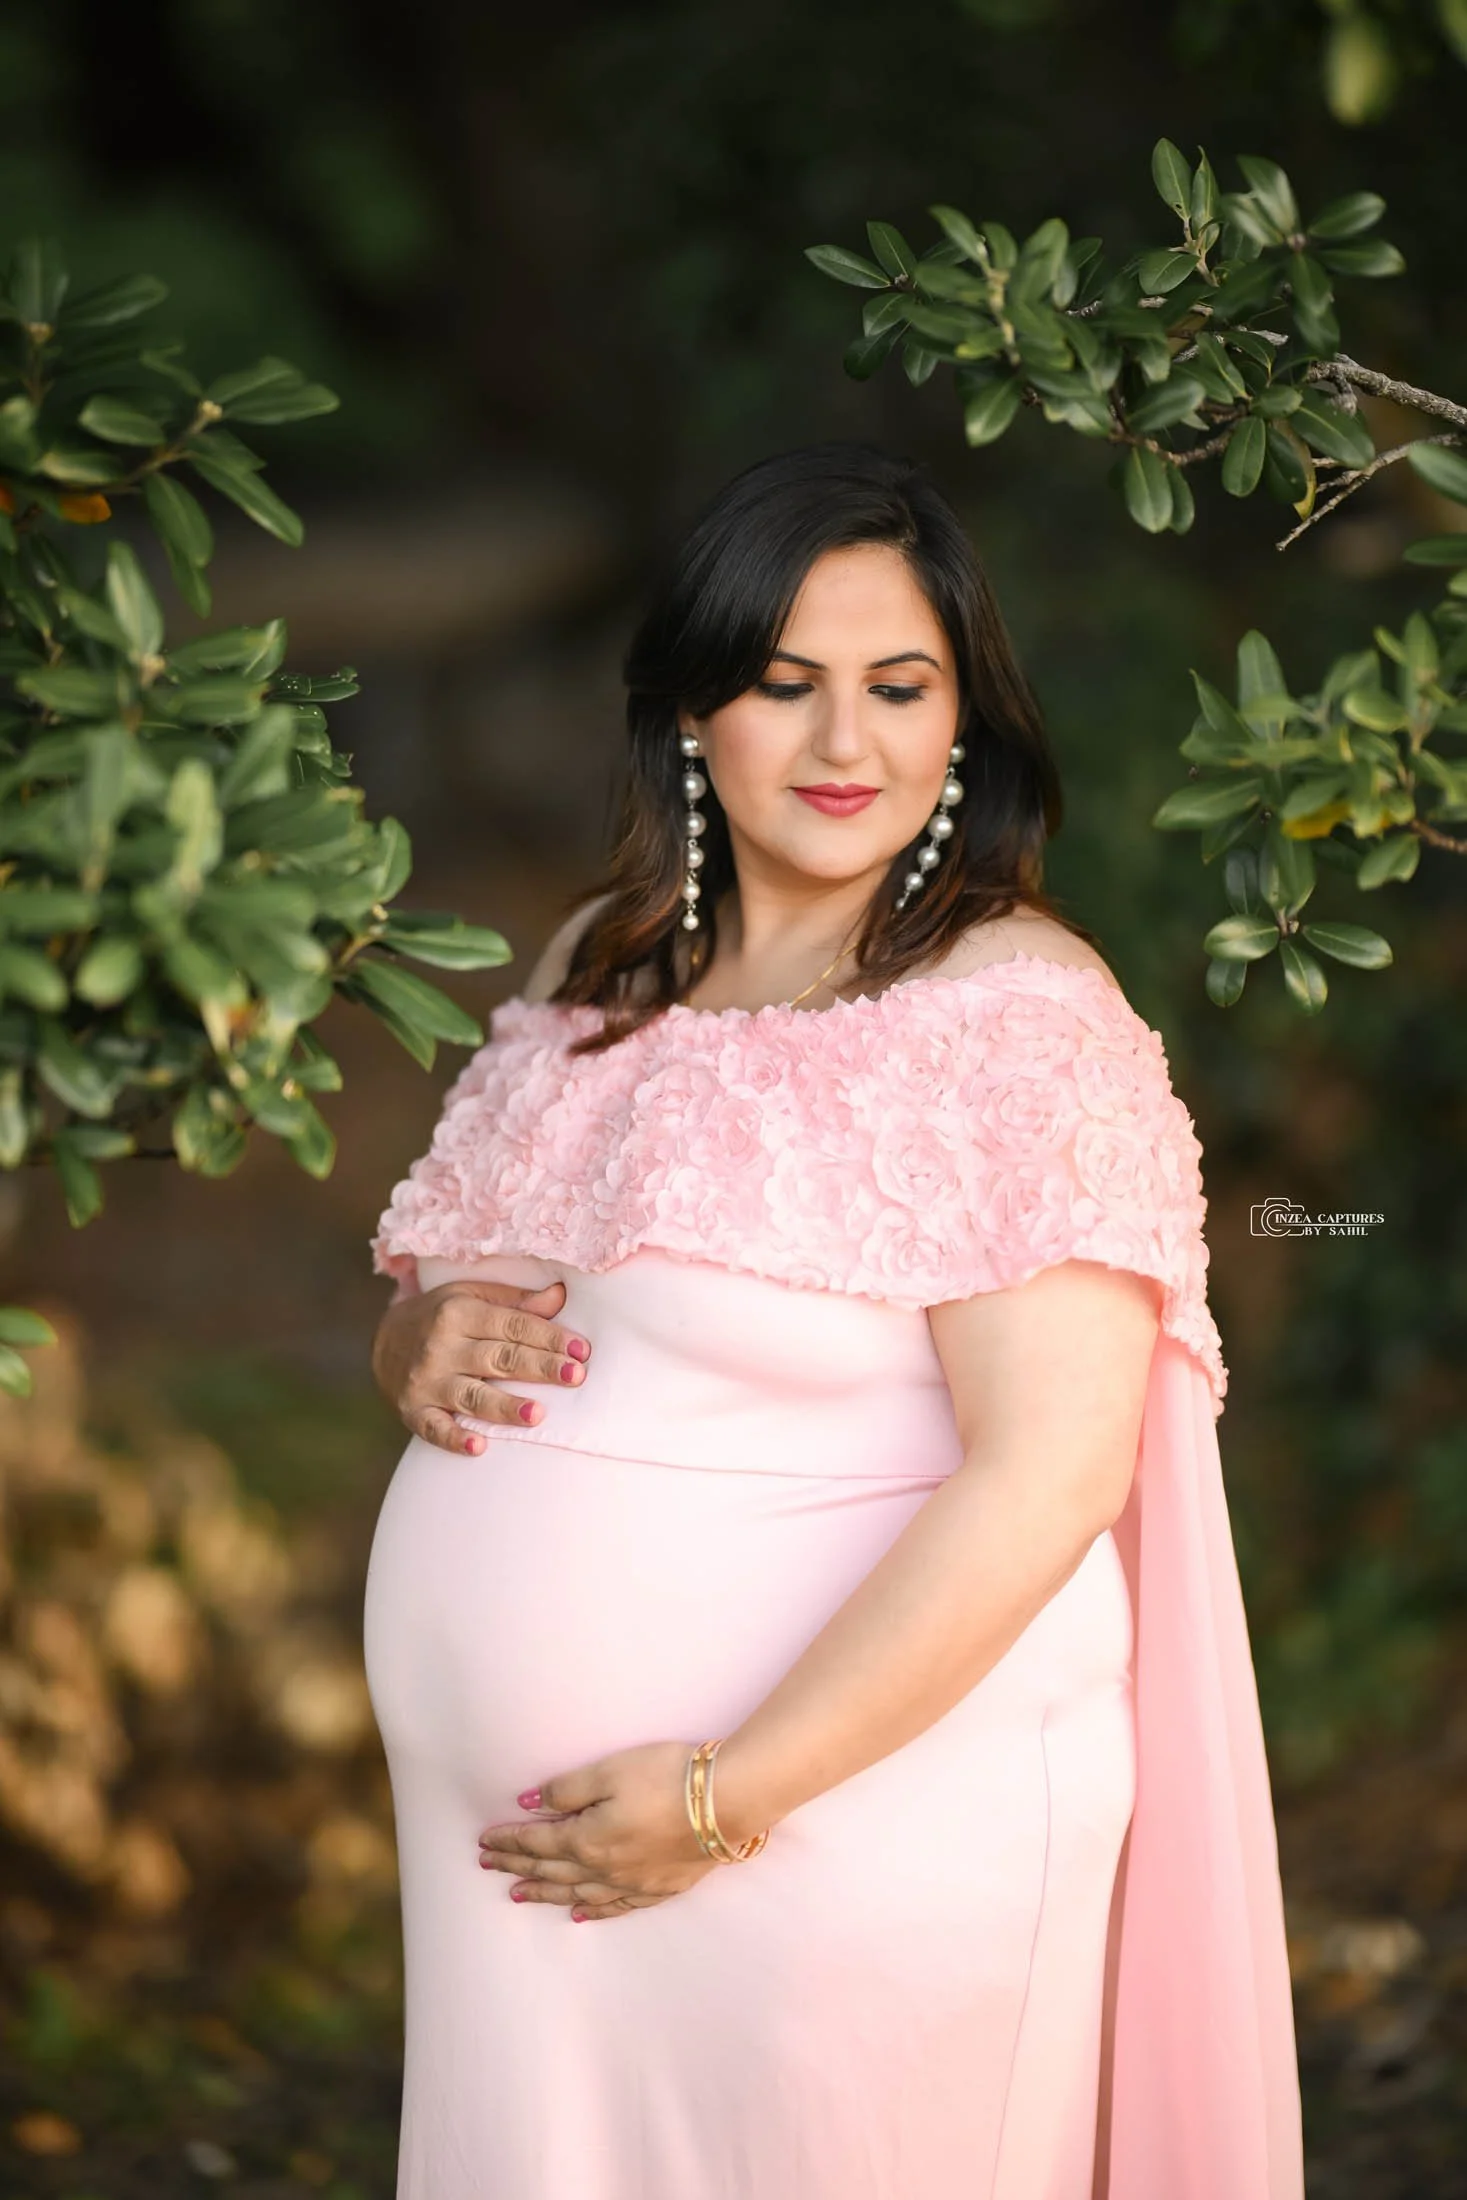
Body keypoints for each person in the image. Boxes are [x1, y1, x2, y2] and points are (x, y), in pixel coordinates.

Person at [363, 441, 1305, 2200]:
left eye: (898, 687)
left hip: (836, 1841)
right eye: (785, 687)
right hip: (528, 1883)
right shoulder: (598, 967)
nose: (843, 744)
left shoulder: (1010, 1010)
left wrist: (731, 1796)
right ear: (693, 712)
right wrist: (411, 1347)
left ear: (964, 722)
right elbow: (449, 1292)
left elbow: (1049, 1471)